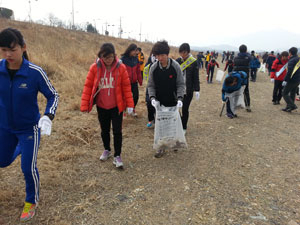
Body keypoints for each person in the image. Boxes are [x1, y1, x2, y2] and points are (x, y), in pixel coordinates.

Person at [0, 28, 59, 222]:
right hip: (5, 127)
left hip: (29, 129)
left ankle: (31, 201)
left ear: (23, 47)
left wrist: (48, 116)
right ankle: (20, 148)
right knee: (3, 161)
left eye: (12, 49)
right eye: (3, 50)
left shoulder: (34, 73)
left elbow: (53, 95)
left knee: (28, 167)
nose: (8, 54)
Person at [80, 43, 134, 168]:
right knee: (104, 130)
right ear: (101, 57)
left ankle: (117, 155)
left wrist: (130, 104)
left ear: (114, 56)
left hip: (116, 106)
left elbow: (126, 87)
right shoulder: (95, 68)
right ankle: (107, 149)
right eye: (105, 57)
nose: (108, 60)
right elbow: (88, 86)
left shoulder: (121, 68)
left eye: (110, 57)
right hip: (102, 105)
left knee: (117, 131)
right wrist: (84, 105)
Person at [147, 40, 185, 158]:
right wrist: (152, 97)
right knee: (160, 125)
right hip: (159, 101)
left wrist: (180, 98)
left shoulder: (175, 66)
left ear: (167, 54)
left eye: (162, 55)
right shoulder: (154, 67)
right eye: (157, 55)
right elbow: (151, 84)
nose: (160, 58)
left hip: (173, 101)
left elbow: (180, 84)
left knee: (173, 123)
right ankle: (161, 147)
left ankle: (173, 143)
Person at [176, 43, 200, 134]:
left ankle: (184, 127)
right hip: (178, 90)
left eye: (184, 52)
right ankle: (178, 124)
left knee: (185, 109)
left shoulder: (193, 62)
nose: (182, 55)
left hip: (188, 90)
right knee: (176, 109)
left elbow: (196, 77)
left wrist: (197, 90)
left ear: (188, 52)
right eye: (181, 53)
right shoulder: (178, 61)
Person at [121, 44, 142, 116]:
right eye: (134, 50)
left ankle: (132, 109)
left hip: (134, 82)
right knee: (124, 97)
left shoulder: (136, 59)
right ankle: (123, 111)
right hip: (125, 82)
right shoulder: (123, 59)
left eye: (136, 51)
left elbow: (138, 71)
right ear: (130, 50)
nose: (135, 52)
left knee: (136, 96)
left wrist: (140, 80)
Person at [233, 44, 251, 112]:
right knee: (246, 90)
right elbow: (250, 59)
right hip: (245, 76)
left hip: (237, 75)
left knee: (236, 90)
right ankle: (248, 106)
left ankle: (234, 105)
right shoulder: (248, 57)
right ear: (246, 50)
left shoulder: (236, 57)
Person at [282, 47, 300, 112]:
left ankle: (292, 105)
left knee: (284, 93)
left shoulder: (292, 60)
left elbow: (289, 72)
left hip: (292, 79)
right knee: (292, 93)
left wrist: (285, 80)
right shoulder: (298, 59)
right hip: (297, 79)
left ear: (290, 53)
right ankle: (289, 107)